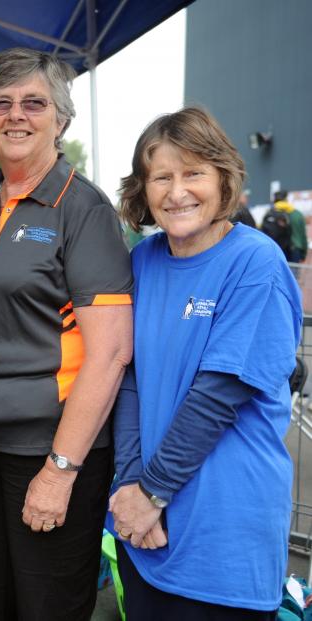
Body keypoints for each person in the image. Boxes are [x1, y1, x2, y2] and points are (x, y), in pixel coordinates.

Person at [0, 47, 133, 620]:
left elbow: (112, 354)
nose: (15, 115)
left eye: (34, 102)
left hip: (46, 451)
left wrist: (61, 469)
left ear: (61, 119)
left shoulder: (84, 209)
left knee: (46, 608)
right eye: (1, 103)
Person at [110, 107, 302, 620]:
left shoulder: (255, 262)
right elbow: (128, 381)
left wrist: (150, 490)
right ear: (143, 190)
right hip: (146, 531)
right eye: (162, 177)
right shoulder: (142, 262)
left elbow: (217, 396)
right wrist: (130, 487)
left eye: (193, 173)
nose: (177, 192)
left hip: (224, 533)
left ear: (224, 179)